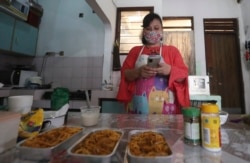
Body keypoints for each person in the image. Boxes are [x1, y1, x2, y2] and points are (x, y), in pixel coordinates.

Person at [116, 12, 190, 114]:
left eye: (156, 28)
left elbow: (183, 75)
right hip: (137, 109)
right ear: (143, 31)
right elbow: (125, 74)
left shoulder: (172, 51)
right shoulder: (135, 51)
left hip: (167, 111)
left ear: (162, 30)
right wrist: (138, 72)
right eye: (148, 28)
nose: (152, 32)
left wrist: (170, 70)